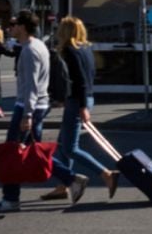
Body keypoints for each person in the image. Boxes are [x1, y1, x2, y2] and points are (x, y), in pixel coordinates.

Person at [0, 11, 59, 213]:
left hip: (28, 107)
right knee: (31, 149)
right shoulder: (38, 46)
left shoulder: (29, 50)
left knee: (12, 151)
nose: (10, 27)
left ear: (23, 27)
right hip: (38, 105)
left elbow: (31, 86)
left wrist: (27, 113)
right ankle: (71, 178)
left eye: (14, 24)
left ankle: (10, 198)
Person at [39, 16, 120, 203]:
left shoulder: (69, 50)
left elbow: (79, 80)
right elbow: (85, 78)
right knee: (62, 145)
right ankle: (63, 185)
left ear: (65, 32)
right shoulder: (86, 49)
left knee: (70, 148)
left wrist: (81, 106)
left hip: (78, 102)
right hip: (82, 99)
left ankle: (106, 174)